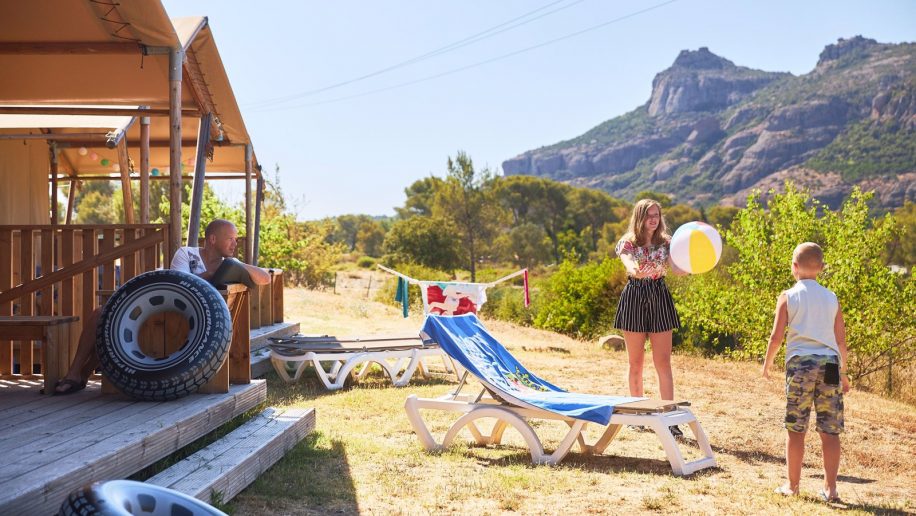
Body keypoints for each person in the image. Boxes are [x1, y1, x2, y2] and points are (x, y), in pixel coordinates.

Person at [51, 219, 270, 395]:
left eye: (235, 239)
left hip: (198, 327)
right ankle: (74, 372)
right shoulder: (187, 254)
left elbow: (265, 279)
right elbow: (182, 282)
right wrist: (212, 274)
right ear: (212, 239)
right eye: (230, 239)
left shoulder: (228, 264)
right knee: (103, 315)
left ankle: (82, 374)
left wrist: (238, 265)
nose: (235, 243)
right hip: (163, 313)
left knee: (112, 324)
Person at [762, 242, 850, 502]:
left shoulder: (788, 296)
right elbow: (841, 341)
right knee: (830, 430)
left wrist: (767, 365)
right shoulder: (832, 297)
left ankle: (793, 485)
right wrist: (844, 373)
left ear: (794, 267)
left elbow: (776, 337)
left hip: (801, 365)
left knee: (796, 429)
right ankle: (831, 489)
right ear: (822, 268)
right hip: (831, 366)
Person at [613, 199, 686, 436]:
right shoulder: (627, 243)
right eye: (649, 215)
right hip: (634, 295)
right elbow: (629, 264)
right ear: (639, 217)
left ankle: (669, 417)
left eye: (657, 215)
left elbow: (676, 268)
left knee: (663, 362)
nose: (653, 219)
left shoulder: (667, 242)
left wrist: (688, 264)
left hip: (659, 295)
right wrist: (637, 269)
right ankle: (637, 415)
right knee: (636, 363)